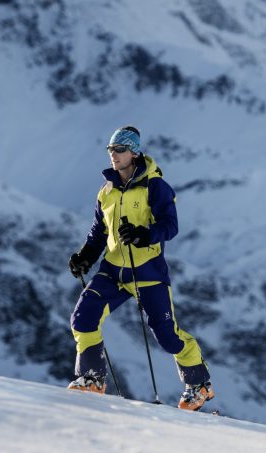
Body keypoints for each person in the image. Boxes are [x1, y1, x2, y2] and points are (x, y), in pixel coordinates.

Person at [66, 126, 213, 410]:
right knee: (83, 319)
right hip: (112, 270)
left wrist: (145, 234)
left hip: (147, 272)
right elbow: (99, 233)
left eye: (119, 150)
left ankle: (199, 384)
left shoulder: (155, 186)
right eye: (111, 150)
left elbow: (170, 226)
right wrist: (85, 255)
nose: (114, 155)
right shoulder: (106, 191)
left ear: (134, 152)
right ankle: (91, 378)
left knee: (168, 337)